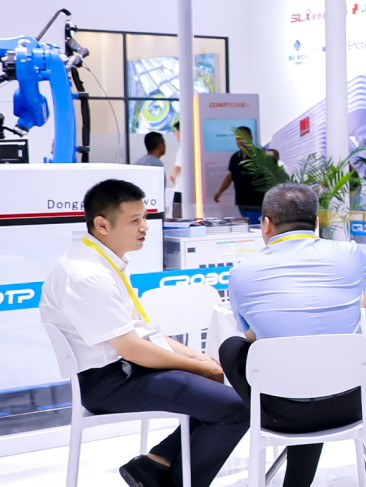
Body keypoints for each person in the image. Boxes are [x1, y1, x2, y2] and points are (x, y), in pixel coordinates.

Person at [40, 179, 245, 487]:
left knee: (218, 394)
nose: (144, 227)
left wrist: (196, 358)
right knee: (236, 408)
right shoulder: (89, 276)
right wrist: (198, 366)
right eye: (134, 220)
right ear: (102, 224)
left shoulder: (104, 262)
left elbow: (142, 332)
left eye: (145, 217)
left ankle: (155, 463)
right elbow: (133, 348)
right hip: (110, 382)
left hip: (125, 369)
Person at [218, 184, 366, 487]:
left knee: (232, 347)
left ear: (266, 224)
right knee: (317, 369)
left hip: (284, 412)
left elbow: (253, 337)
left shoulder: (241, 273)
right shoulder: (349, 253)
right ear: (316, 222)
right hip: (353, 403)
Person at [211, 126, 266, 220]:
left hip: (257, 203)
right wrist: (220, 191)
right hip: (241, 202)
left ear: (250, 137)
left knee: (256, 225)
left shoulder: (260, 155)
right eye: (237, 138)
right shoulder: (235, 157)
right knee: (248, 225)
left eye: (243, 137)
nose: (240, 141)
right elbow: (230, 176)